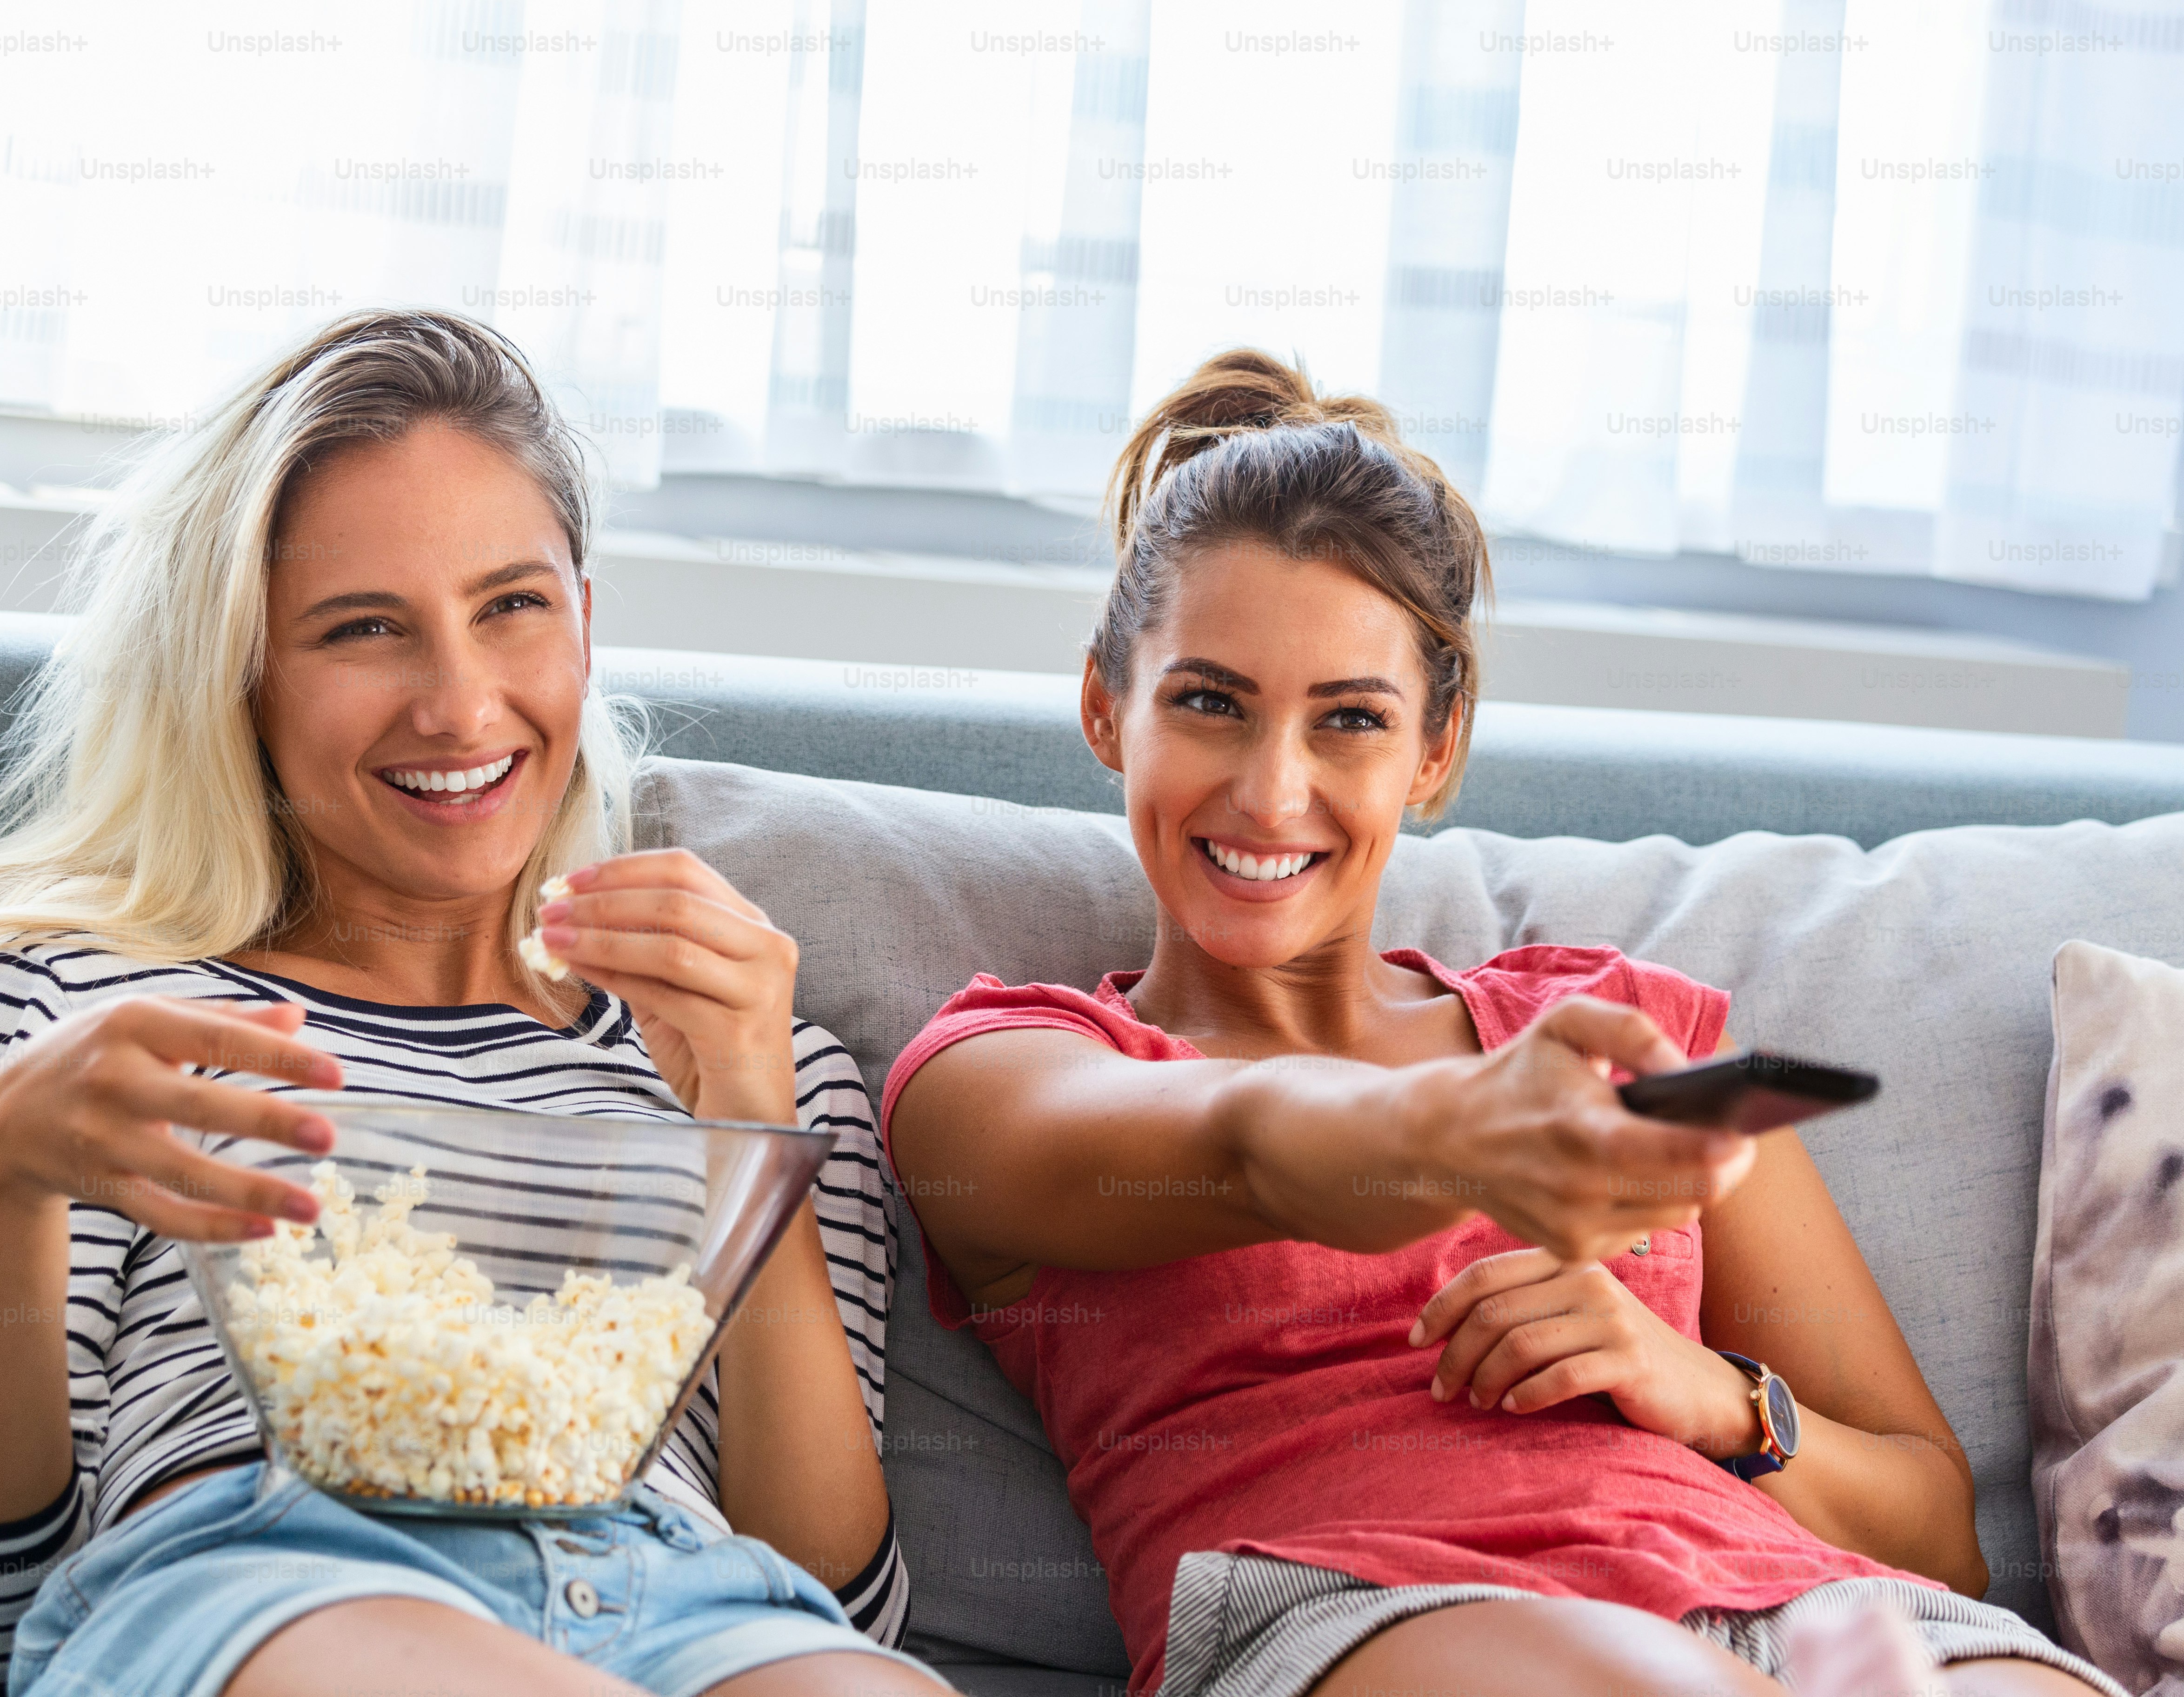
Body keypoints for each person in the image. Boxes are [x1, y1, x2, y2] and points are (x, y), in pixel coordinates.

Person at [881, 350, 2122, 1697]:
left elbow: (1941, 1538)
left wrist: (1704, 1389)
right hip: (1371, 1608)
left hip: (1815, 1605)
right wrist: (1467, 1135)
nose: (1270, 788)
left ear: (1434, 752)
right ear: (1105, 707)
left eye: (1349, 721)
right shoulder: (999, 1073)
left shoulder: (1623, 1031)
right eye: (1209, 702)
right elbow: (1242, 1145)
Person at [0, 310, 942, 1697]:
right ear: (244, 677)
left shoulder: (759, 1050)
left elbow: (839, 1607)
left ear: (585, 624)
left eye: (511, 607)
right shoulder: (92, 1017)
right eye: (364, 629)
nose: (458, 703)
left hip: (680, 1593)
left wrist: (752, 1130)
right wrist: (8, 1173)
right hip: (266, 1574)